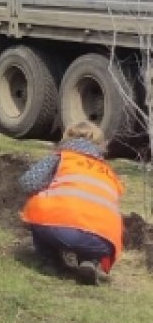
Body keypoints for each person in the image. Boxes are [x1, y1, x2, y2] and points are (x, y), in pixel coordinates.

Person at [20, 121, 124, 285]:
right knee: (94, 220)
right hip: (104, 241)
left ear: (67, 138)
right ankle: (90, 261)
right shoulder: (109, 172)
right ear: (100, 144)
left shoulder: (61, 157)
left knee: (38, 203)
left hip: (58, 229)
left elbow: (28, 183)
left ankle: (50, 261)